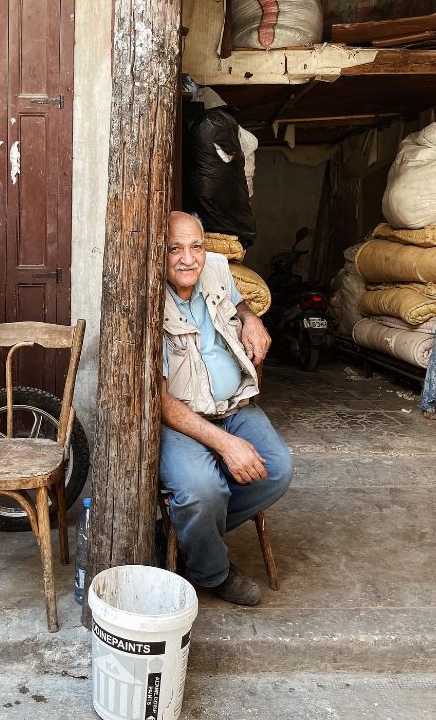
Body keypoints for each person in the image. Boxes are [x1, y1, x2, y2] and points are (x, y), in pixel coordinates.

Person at [161, 211, 292, 606]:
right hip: (182, 419)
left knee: (278, 468)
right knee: (202, 492)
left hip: (234, 405)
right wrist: (225, 444)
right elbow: (160, 401)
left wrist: (252, 319)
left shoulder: (217, 268)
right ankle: (212, 570)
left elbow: (237, 304)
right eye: (175, 249)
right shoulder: (146, 303)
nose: (188, 259)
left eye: (196, 246)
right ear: (158, 254)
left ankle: (188, 537)